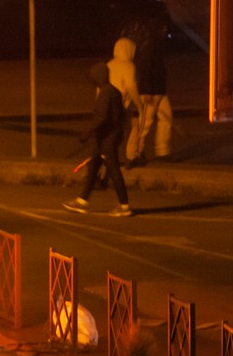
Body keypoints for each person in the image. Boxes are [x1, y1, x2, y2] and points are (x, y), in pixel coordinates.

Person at [64, 63, 132, 217]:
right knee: (93, 167)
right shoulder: (114, 91)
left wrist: (87, 133)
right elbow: (120, 115)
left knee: (113, 170)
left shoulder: (105, 93)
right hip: (110, 136)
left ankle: (124, 205)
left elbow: (101, 117)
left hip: (106, 138)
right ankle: (82, 201)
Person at [128, 21, 172, 166]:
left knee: (165, 119)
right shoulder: (151, 49)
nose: (166, 31)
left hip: (158, 90)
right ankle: (137, 152)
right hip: (152, 91)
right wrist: (146, 91)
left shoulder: (154, 47)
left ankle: (162, 151)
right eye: (163, 29)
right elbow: (146, 71)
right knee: (145, 123)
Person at [106, 36, 143, 167]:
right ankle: (131, 156)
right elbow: (131, 88)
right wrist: (139, 105)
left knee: (110, 134)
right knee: (134, 127)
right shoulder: (129, 66)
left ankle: (107, 158)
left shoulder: (109, 64)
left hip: (106, 105)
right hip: (121, 105)